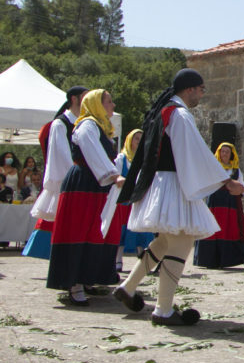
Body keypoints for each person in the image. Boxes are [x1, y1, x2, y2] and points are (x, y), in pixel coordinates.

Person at [113, 68, 244, 326]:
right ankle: (163, 310)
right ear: (189, 89)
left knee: (164, 242)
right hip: (174, 185)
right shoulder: (180, 115)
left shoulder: (163, 112)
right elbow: (196, 152)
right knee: (182, 242)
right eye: (201, 89)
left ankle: (128, 287)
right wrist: (226, 181)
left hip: (161, 183)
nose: (202, 93)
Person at [46, 89, 124, 305]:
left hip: (98, 185)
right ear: (96, 104)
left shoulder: (102, 127)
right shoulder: (87, 125)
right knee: (79, 231)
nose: (113, 105)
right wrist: (113, 175)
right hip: (84, 184)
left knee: (96, 232)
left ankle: (88, 277)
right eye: (109, 101)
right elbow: (93, 153)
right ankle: (74, 284)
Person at [24, 86, 87, 259]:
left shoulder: (84, 122)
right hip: (66, 179)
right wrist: (75, 175)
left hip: (80, 179)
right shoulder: (61, 123)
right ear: (74, 99)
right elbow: (61, 155)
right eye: (84, 97)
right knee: (59, 222)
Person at [193, 142, 244, 269]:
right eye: (222, 151)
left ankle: (230, 258)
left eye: (227, 152)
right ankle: (209, 259)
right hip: (214, 203)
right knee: (212, 229)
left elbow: (241, 186)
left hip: (230, 204)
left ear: (231, 155)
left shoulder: (236, 171)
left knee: (230, 229)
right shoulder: (212, 168)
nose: (224, 154)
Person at [112, 129, 153, 270]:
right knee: (122, 230)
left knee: (141, 230)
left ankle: (143, 260)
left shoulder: (144, 160)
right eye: (136, 138)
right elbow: (115, 177)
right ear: (130, 140)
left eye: (141, 139)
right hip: (124, 201)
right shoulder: (121, 159)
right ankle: (118, 260)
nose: (139, 142)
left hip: (138, 200)